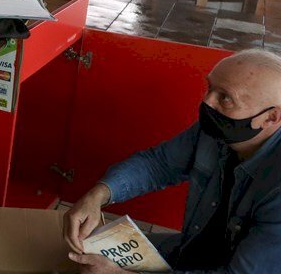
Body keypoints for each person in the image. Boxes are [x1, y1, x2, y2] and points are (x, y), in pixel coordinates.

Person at [64, 49, 281, 274]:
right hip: (190, 248)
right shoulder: (215, 134)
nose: (207, 102)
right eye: (209, 88)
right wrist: (98, 195)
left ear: (271, 117)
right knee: (88, 254)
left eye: (225, 98)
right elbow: (158, 165)